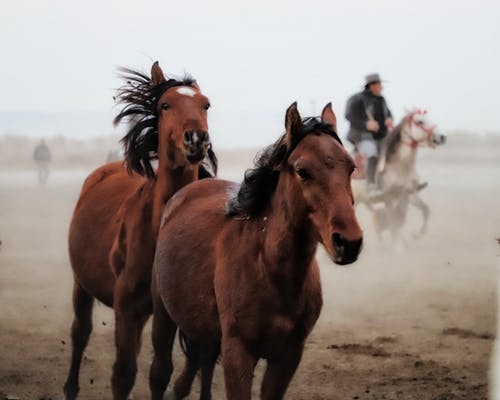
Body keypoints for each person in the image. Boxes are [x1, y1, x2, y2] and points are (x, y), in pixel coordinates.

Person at [345, 73, 393, 195]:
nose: (381, 87)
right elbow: (349, 116)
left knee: (393, 153)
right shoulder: (356, 98)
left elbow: (389, 113)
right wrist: (366, 124)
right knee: (373, 154)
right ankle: (371, 185)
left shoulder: (381, 99)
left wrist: (389, 119)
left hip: (381, 136)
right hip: (361, 137)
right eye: (379, 85)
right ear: (372, 85)